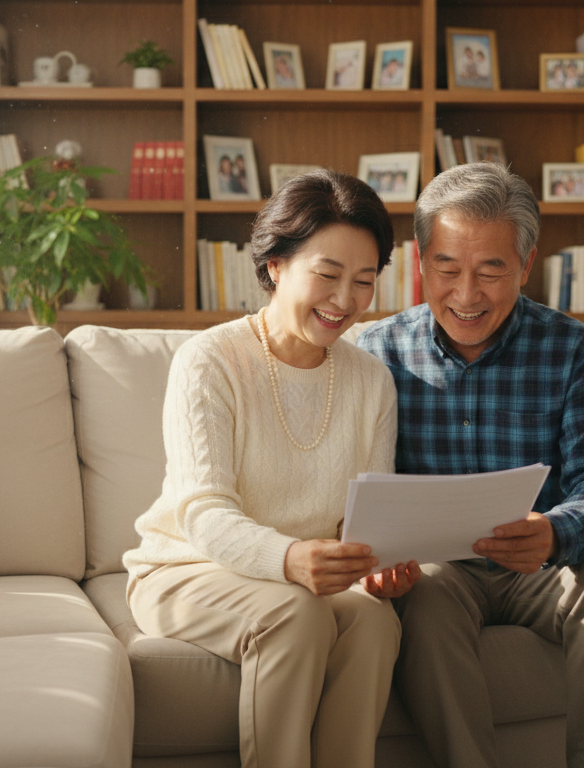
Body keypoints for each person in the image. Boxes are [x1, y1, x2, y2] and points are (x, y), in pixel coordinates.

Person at [357, 162, 584, 768]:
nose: (466, 295)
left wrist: (556, 531)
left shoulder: (575, 349)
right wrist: (375, 555)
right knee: (431, 595)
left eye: (491, 270)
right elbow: (350, 486)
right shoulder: (373, 353)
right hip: (438, 575)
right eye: (447, 268)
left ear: (524, 267)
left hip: (543, 567)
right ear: (421, 261)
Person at [125, 169, 417, 768]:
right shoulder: (209, 361)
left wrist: (377, 569)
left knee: (374, 622)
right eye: (328, 274)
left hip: (308, 577)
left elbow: (366, 519)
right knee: (297, 616)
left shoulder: (371, 380)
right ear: (277, 263)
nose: (345, 301)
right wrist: (289, 558)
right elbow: (202, 512)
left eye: (364, 281)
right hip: (186, 567)